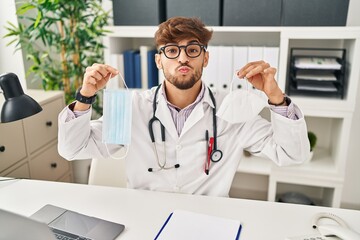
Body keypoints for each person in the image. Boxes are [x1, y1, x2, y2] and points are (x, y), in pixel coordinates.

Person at [58, 17, 310, 197]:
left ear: (206, 58)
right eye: (171, 50)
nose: (182, 58)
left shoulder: (232, 109)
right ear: (158, 61)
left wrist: (276, 96)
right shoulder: (132, 106)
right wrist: (85, 96)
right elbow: (73, 149)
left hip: (209, 219)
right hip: (146, 215)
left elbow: (292, 155)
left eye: (192, 49)